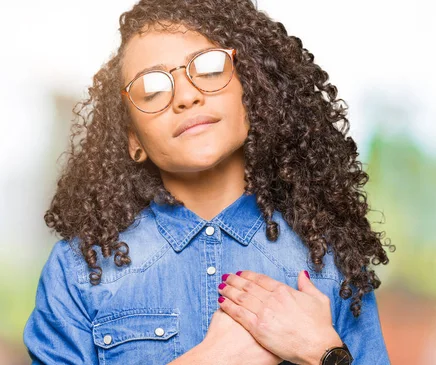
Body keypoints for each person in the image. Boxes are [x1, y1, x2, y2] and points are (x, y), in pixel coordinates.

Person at [23, 0, 394, 364]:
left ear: (253, 92)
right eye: (152, 90)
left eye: (210, 68)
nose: (186, 95)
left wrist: (324, 353)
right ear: (133, 140)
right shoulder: (78, 273)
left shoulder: (329, 263)